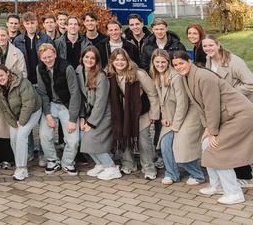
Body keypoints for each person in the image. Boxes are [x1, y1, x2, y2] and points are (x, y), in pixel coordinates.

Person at [171, 52, 253, 205]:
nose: (178, 67)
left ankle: (234, 193)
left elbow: (212, 106)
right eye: (175, 65)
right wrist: (207, 129)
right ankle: (218, 186)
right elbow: (200, 107)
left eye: (181, 63)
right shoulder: (187, 78)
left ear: (189, 61)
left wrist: (213, 132)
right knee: (205, 145)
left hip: (240, 116)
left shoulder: (204, 77)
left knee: (218, 150)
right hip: (227, 116)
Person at [202, 34, 253, 188]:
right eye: (205, 46)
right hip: (230, 107)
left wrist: (231, 93)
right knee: (234, 141)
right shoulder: (209, 60)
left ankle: (246, 177)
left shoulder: (234, 62)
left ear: (218, 44)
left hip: (247, 104)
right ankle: (241, 174)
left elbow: (252, 84)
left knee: (237, 141)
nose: (208, 48)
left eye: (211, 45)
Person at [150, 49, 205, 186]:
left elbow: (183, 103)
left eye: (163, 62)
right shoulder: (157, 76)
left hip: (186, 114)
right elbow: (161, 100)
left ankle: (197, 175)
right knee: (164, 143)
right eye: (157, 62)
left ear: (168, 62)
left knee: (181, 145)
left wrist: (176, 125)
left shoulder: (176, 78)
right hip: (171, 115)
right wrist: (164, 117)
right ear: (153, 62)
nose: (160, 64)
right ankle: (172, 174)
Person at [107, 48, 160, 180]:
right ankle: (128, 164)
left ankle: (149, 168)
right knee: (123, 137)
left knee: (143, 141)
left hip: (140, 114)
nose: (120, 62)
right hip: (121, 116)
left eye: (123, 59)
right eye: (117, 60)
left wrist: (154, 114)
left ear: (127, 61)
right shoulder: (109, 75)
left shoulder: (138, 74)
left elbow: (152, 94)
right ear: (112, 62)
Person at [35, 43, 81, 175]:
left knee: (73, 139)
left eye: (50, 56)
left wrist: (72, 119)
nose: (48, 60)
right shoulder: (40, 68)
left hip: (67, 104)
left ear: (55, 54)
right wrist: (48, 115)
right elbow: (42, 93)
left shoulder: (67, 68)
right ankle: (52, 161)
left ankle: (67, 162)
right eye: (44, 58)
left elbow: (75, 94)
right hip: (51, 104)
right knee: (44, 135)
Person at [75, 46, 120, 180]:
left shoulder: (101, 76)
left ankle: (111, 167)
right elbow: (80, 97)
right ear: (82, 57)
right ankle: (100, 164)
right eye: (86, 57)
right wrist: (83, 117)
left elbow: (101, 102)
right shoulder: (79, 71)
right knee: (83, 136)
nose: (89, 60)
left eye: (92, 58)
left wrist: (91, 123)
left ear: (97, 60)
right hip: (89, 113)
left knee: (91, 139)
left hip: (104, 114)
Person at [0, 64, 42, 181]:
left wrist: (22, 122)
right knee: (14, 137)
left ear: (8, 73)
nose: (0, 78)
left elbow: (28, 104)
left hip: (33, 111)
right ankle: (19, 162)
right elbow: (4, 109)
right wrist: (14, 123)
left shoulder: (23, 83)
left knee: (21, 136)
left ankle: (22, 168)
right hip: (16, 116)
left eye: (2, 75)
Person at [13, 12, 53, 85]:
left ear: (36, 23)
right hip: (25, 78)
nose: (30, 26)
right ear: (24, 24)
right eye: (27, 23)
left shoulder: (45, 38)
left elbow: (52, 57)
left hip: (43, 76)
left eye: (32, 23)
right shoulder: (18, 40)